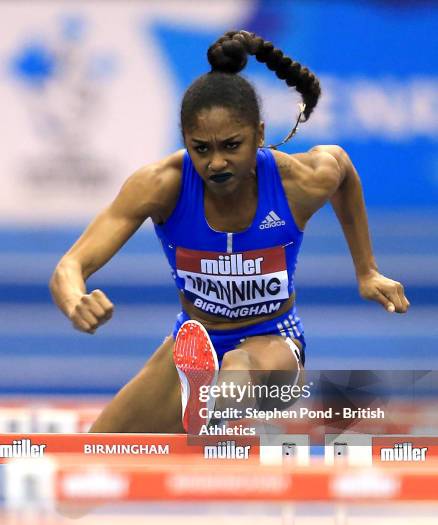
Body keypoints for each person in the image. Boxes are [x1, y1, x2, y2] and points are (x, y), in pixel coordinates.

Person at [49, 31, 409, 435]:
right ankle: (202, 394)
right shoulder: (160, 184)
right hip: (194, 343)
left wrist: (367, 270)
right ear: (184, 139)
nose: (216, 162)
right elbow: (70, 266)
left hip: (273, 345)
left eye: (231, 145)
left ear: (259, 134)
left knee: (238, 369)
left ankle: (212, 407)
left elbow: (342, 170)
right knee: (100, 450)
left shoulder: (297, 181)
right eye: (200, 148)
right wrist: (74, 299)